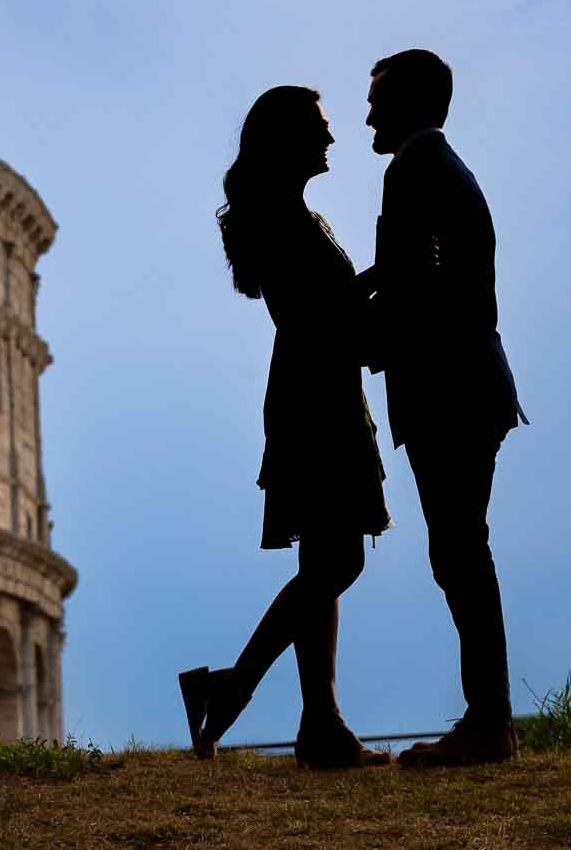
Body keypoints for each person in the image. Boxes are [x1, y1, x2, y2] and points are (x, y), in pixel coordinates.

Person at [179, 85, 392, 769]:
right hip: (317, 398)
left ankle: (320, 727)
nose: (332, 141)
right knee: (339, 561)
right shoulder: (283, 220)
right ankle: (234, 689)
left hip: (316, 388)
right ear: (289, 140)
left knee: (324, 560)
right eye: (320, 130)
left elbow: (324, 308)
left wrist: (369, 290)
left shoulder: (292, 216)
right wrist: (381, 288)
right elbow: (314, 316)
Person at [359, 49, 528, 767]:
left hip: (450, 387)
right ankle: (489, 720)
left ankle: (488, 724)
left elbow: (410, 281)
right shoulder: (439, 169)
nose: (368, 114)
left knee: (459, 550)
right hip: (469, 384)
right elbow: (420, 276)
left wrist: (342, 320)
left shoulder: (413, 169)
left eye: (378, 100)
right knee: (460, 549)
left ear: (408, 103)